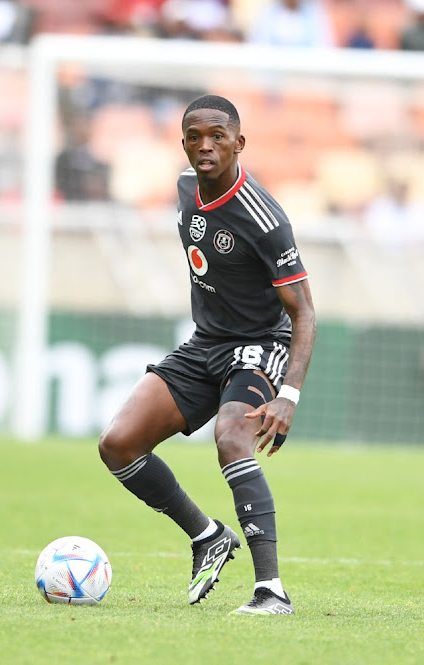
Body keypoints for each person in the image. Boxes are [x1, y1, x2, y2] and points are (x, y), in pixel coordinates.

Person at [98, 94, 316, 615]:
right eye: (195, 136)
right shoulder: (183, 189)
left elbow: (304, 311)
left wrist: (289, 393)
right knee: (118, 443)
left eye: (218, 135)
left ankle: (272, 591)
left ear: (240, 143)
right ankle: (207, 535)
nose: (206, 145)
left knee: (232, 436)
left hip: (261, 344)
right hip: (206, 344)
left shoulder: (264, 218)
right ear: (183, 144)